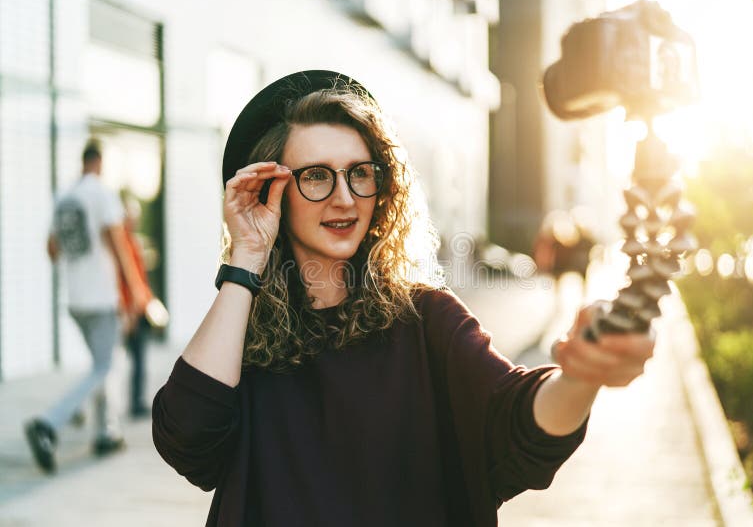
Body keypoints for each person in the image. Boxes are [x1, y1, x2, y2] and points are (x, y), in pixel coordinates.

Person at [152, 71, 654, 526]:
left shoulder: (426, 320)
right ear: (273, 193)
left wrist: (582, 376)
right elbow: (187, 439)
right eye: (316, 175)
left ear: (382, 187)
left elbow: (516, 420)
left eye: (359, 172)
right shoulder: (242, 339)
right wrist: (246, 257)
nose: (344, 197)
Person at [25, 140, 148, 473]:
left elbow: (52, 249)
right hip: (100, 297)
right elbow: (119, 242)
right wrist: (136, 290)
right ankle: (49, 423)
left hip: (75, 299)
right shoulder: (100, 193)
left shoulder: (65, 196)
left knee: (101, 364)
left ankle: (107, 432)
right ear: (100, 161)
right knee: (106, 367)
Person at [117, 194, 154, 418]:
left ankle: (137, 400)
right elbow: (124, 280)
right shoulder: (122, 242)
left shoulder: (132, 241)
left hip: (140, 307)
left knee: (139, 359)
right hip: (130, 310)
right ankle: (134, 401)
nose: (135, 219)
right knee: (124, 360)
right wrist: (128, 309)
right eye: (132, 215)